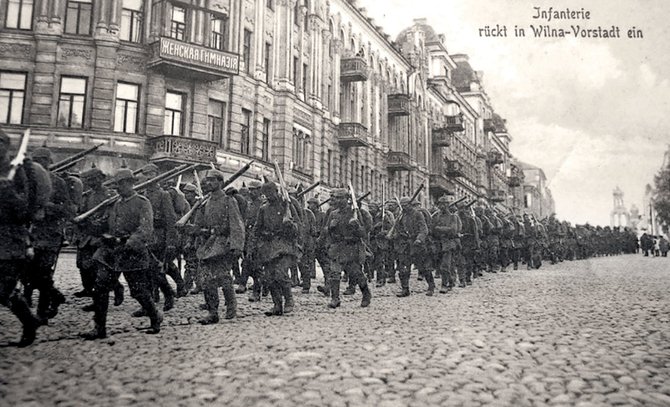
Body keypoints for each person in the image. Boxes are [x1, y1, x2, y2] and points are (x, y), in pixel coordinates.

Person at [80, 168, 161, 339]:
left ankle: (155, 317)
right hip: (112, 253)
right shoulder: (114, 204)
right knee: (100, 287)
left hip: (133, 253)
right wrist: (87, 224)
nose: (119, 188)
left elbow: (145, 229)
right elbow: (104, 226)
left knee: (138, 291)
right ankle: (99, 328)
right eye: (117, 185)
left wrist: (127, 243)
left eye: (122, 184)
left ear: (131, 184)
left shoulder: (142, 202)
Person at [0, 129, 44, 346]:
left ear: (7, 146)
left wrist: (9, 194)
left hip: (11, 239)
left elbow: (25, 211)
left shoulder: (16, 171)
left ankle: (29, 321)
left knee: (4, 289)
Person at [25, 147, 74, 323]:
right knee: (28, 273)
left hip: (51, 234)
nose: (38, 164)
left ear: (48, 162)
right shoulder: (27, 181)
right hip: (32, 233)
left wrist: (48, 207)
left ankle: (42, 312)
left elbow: (68, 209)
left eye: (41, 160)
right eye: (35, 160)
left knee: (45, 273)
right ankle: (56, 296)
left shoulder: (58, 182)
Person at [193, 169, 245, 323]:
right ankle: (213, 312)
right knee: (207, 280)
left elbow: (237, 224)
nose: (208, 183)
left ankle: (231, 305)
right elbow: (199, 224)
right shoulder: (205, 201)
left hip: (224, 243)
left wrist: (237, 246)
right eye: (207, 180)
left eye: (212, 180)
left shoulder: (229, 200)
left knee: (223, 276)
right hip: (209, 243)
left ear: (220, 182)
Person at [74, 165, 124, 310]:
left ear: (101, 179)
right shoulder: (87, 196)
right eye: (89, 180)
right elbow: (81, 212)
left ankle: (113, 290)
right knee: (84, 268)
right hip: (88, 236)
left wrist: (101, 222)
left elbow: (113, 214)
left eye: (95, 179)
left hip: (103, 237)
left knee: (99, 270)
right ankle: (95, 295)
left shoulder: (110, 195)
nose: (92, 182)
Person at [250, 181, 300, 315]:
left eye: (270, 193)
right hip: (269, 246)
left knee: (280, 274)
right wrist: (253, 245)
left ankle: (289, 300)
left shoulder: (286, 206)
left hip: (285, 245)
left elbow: (298, 227)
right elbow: (257, 228)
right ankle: (277, 305)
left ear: (276, 192)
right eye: (265, 194)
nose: (268, 196)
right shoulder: (263, 209)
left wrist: (289, 225)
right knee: (269, 278)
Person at [321, 189, 370, 308]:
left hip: (351, 248)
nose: (337, 200)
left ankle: (366, 294)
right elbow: (325, 230)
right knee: (334, 273)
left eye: (340, 198)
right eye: (336, 198)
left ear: (347, 199)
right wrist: (330, 228)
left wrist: (357, 226)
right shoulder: (333, 213)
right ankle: (335, 299)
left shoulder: (356, 213)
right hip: (337, 248)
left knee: (356, 274)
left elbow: (364, 233)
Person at [391, 196, 428, 297]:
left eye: (405, 206)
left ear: (410, 205)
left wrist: (419, 239)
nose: (403, 208)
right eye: (401, 206)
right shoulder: (401, 215)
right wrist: (394, 236)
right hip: (405, 244)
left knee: (423, 267)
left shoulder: (418, 214)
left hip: (416, 243)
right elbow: (398, 229)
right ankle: (405, 289)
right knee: (403, 268)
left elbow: (423, 229)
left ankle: (431, 286)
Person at [432, 195, 462, 294]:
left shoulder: (454, 217)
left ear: (448, 205)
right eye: (440, 204)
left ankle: (445, 285)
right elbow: (432, 229)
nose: (442, 206)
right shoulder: (436, 216)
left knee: (445, 265)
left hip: (449, 243)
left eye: (444, 204)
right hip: (439, 243)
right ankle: (451, 281)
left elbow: (453, 230)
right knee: (443, 265)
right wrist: (440, 229)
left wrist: (439, 228)